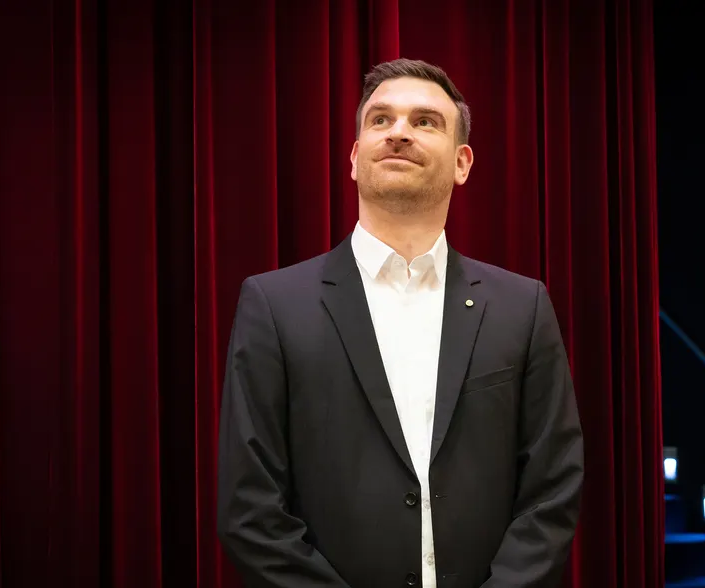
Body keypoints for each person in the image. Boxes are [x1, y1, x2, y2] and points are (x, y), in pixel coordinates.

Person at [218, 58, 584, 588]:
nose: (398, 133)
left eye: (425, 121)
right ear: (353, 157)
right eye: (380, 119)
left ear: (462, 162)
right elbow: (249, 508)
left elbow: (553, 489)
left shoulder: (522, 306)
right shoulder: (272, 305)